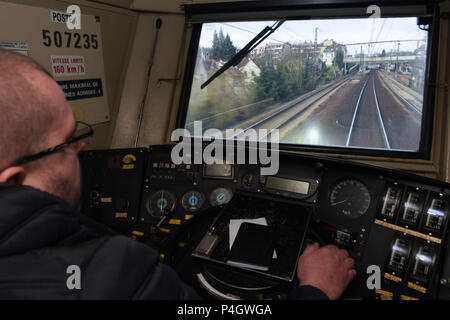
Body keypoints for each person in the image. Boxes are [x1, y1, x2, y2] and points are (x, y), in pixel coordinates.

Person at [0, 48, 355, 299]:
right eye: (67, 141)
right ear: (15, 180)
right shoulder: (117, 275)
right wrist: (315, 291)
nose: (80, 149)